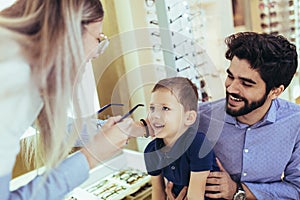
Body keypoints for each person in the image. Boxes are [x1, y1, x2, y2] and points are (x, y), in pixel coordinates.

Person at [0, 0, 145, 199]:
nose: (96, 53)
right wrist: (91, 156)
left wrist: (108, 131)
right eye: (98, 38)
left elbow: (54, 124)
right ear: (69, 32)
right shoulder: (13, 83)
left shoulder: (19, 64)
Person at [165, 32, 300, 200]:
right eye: (230, 76)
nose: (231, 89)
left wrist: (238, 191)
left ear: (275, 91)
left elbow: (296, 189)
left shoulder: (295, 122)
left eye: (246, 83)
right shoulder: (197, 118)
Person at [144, 77, 219, 200]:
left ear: (189, 118)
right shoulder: (151, 151)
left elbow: (196, 196)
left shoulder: (198, 145)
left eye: (165, 108)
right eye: (152, 108)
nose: (155, 115)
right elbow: (158, 193)